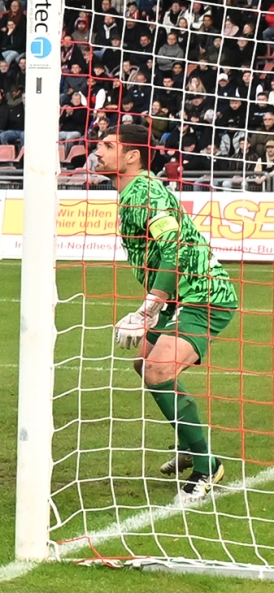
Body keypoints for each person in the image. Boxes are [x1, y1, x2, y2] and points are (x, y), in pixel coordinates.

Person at [102, 123, 236, 497]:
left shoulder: (146, 191)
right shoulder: (133, 191)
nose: (98, 151)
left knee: (158, 370)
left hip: (203, 293)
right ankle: (190, 444)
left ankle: (208, 466)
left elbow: (174, 247)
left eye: (108, 145)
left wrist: (151, 305)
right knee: (144, 363)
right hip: (179, 295)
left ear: (132, 155)